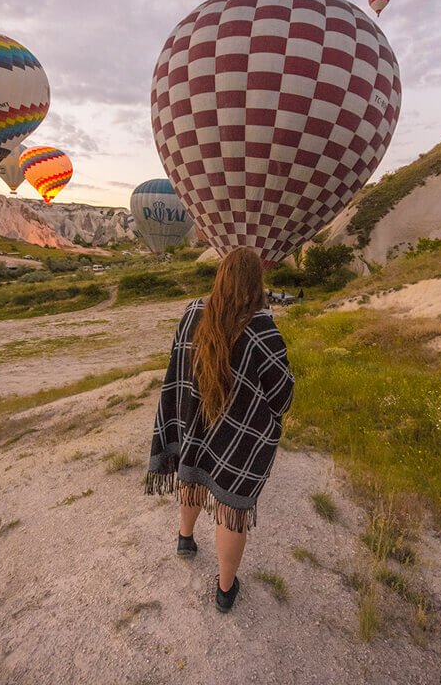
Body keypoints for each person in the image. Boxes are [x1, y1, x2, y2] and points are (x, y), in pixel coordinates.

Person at [146, 247, 294, 613]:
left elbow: (177, 363)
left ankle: (185, 539)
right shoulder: (261, 326)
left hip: (193, 422)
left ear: (221, 276)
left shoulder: (193, 311)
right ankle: (225, 589)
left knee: (191, 477)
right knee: (232, 511)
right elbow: (282, 394)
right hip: (237, 437)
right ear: (256, 283)